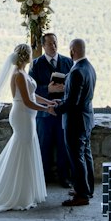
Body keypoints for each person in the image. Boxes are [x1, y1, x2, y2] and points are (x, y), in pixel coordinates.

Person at [0, 43, 56, 215]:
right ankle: (18, 193)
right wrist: (46, 109)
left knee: (27, 148)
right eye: (30, 53)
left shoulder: (23, 73)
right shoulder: (18, 75)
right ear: (26, 56)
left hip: (27, 116)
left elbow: (33, 94)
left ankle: (27, 190)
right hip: (22, 115)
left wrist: (47, 101)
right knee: (22, 149)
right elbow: (27, 101)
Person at [31, 31, 73, 186]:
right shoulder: (36, 64)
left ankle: (64, 177)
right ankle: (43, 179)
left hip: (63, 112)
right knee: (44, 147)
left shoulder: (68, 62)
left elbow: (74, 85)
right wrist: (48, 90)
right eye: (49, 43)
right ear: (43, 45)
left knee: (64, 146)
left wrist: (64, 88)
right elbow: (31, 90)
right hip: (44, 115)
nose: (53, 46)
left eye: (55, 43)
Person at [60, 37, 97, 207]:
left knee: (77, 158)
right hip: (86, 119)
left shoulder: (76, 71)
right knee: (85, 155)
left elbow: (72, 102)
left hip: (75, 121)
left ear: (72, 51)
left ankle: (81, 194)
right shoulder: (89, 67)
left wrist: (56, 108)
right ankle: (86, 188)